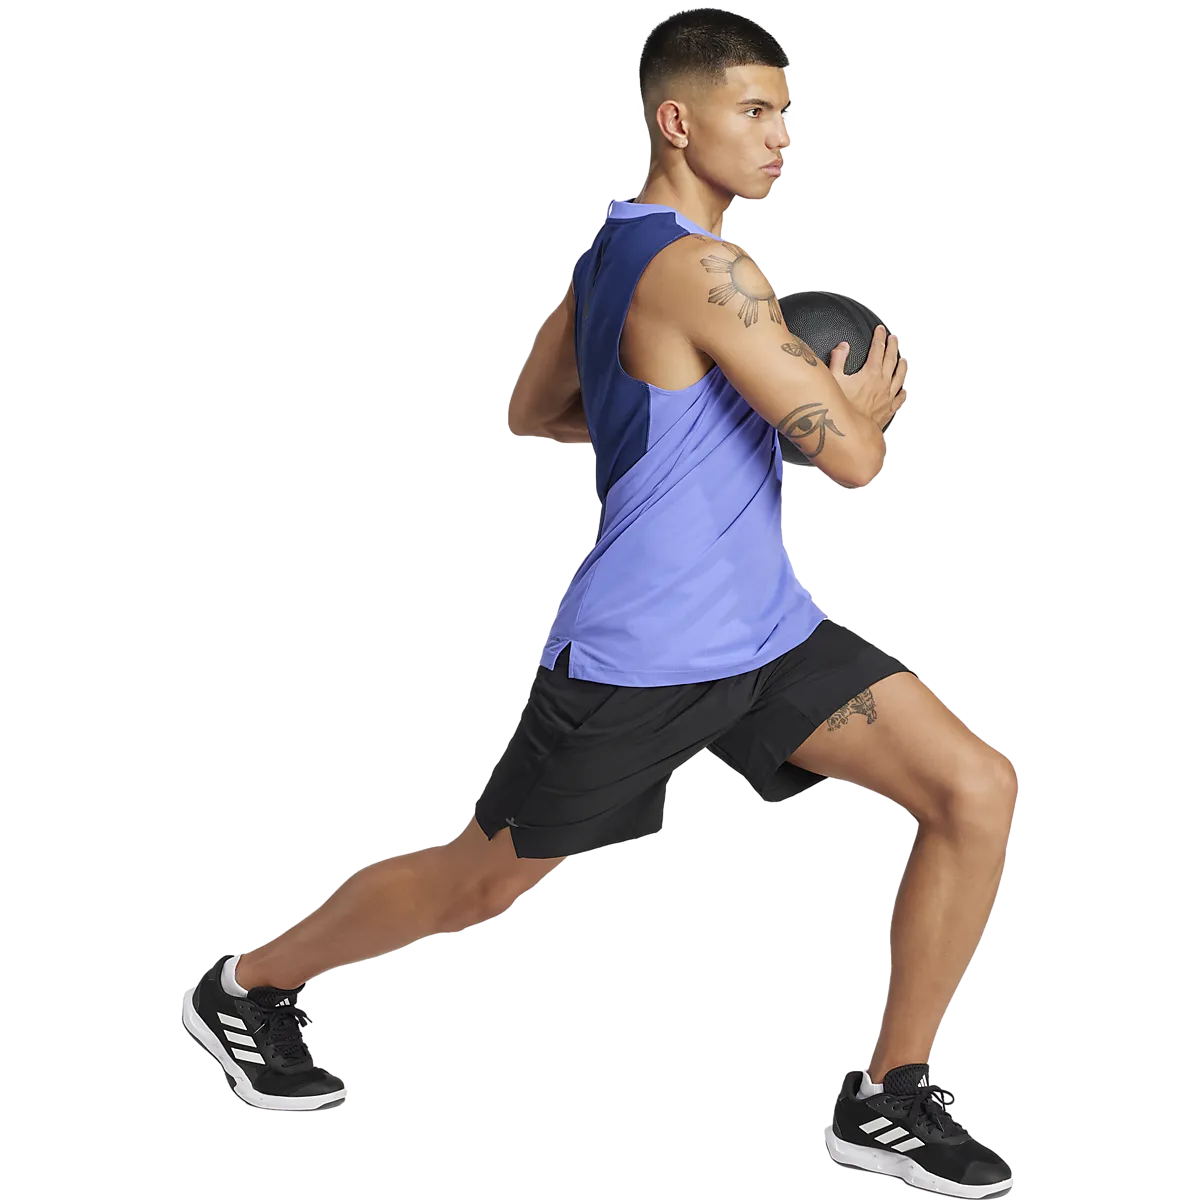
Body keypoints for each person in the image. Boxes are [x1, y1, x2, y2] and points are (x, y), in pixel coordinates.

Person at [179, 8, 1017, 1191]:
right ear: (676, 119)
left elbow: (538, 410)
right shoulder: (714, 272)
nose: (780, 136)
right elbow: (853, 460)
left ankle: (890, 1095)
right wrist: (860, 406)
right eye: (754, 111)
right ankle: (246, 988)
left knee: (973, 788)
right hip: (645, 650)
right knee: (476, 882)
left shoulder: (614, 249)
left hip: (763, 632)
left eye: (785, 111)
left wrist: (709, 414)